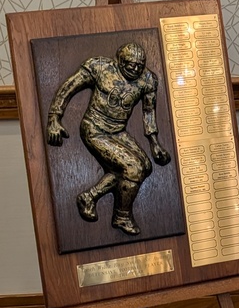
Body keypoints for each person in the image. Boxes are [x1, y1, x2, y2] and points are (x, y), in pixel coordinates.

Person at [46, 41, 171, 236]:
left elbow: (148, 112)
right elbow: (69, 87)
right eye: (130, 64)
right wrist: (54, 118)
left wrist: (154, 144)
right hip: (94, 128)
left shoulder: (147, 80)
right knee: (133, 168)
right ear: (119, 61)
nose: (135, 69)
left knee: (145, 167)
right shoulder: (101, 68)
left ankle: (89, 197)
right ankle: (122, 216)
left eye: (140, 65)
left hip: (118, 132)